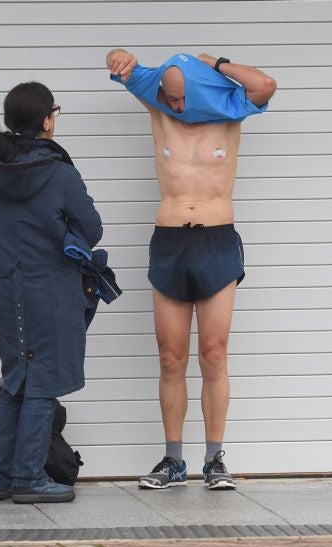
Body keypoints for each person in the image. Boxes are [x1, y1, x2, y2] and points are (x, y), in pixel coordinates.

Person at [106, 49, 277, 490]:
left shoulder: (228, 109)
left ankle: (215, 458)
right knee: (170, 357)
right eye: (170, 96)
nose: (176, 106)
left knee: (214, 354)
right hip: (170, 241)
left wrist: (216, 64)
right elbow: (122, 67)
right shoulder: (160, 107)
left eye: (182, 97)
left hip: (217, 241)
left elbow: (265, 85)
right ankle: (173, 459)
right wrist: (119, 56)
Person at [0, 82, 103, 503]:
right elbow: (93, 229)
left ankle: (0, 477)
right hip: (52, 288)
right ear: (46, 120)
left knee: (16, 382)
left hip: (7, 286)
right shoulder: (60, 173)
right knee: (43, 383)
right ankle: (28, 479)